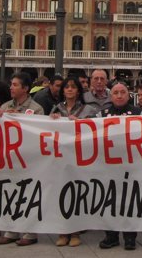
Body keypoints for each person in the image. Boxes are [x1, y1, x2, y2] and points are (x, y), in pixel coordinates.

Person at [0, 72, 43, 246]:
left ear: (25, 88)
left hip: (28, 158)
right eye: (11, 84)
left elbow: (38, 130)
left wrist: (22, 118)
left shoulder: (36, 108)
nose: (11, 87)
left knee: (29, 193)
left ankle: (31, 231)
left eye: (15, 85)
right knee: (10, 192)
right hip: (10, 158)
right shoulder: (5, 106)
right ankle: (12, 229)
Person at [50, 76, 97, 247]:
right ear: (62, 90)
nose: (69, 89)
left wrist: (83, 123)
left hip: (80, 157)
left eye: (73, 87)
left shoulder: (88, 110)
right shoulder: (57, 109)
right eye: (66, 87)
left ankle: (75, 231)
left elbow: (97, 129)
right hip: (61, 157)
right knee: (62, 194)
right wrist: (53, 120)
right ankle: (63, 231)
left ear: (78, 90)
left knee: (77, 193)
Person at [97, 82, 142, 250]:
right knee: (109, 200)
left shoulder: (138, 113)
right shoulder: (102, 114)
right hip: (109, 165)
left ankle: (130, 237)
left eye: (123, 92)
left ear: (128, 95)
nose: (119, 95)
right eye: (116, 92)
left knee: (130, 201)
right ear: (111, 96)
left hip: (132, 165)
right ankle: (111, 235)